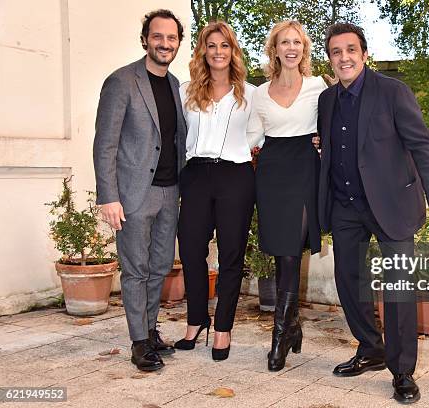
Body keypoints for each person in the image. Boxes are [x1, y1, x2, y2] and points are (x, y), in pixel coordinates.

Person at [317, 23, 429, 404]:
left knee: (398, 291)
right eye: (336, 52)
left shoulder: (393, 92)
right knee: (348, 281)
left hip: (391, 204)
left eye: (350, 50)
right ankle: (370, 348)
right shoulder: (327, 100)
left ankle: (403, 371)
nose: (344, 57)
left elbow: (421, 145)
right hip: (345, 206)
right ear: (330, 58)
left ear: (364, 54)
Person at [93, 9, 186, 372]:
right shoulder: (121, 81)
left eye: (172, 38)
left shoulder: (175, 84)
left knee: (160, 266)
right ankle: (138, 342)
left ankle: (150, 330)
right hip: (133, 194)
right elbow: (106, 144)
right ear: (145, 39)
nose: (165, 43)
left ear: (178, 42)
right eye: (158, 37)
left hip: (169, 191)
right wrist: (108, 196)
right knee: (136, 270)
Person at [247, 20, 327, 372]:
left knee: (292, 251)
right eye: (284, 42)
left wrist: (323, 141)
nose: (291, 48)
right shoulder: (259, 93)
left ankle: (279, 337)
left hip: (305, 169)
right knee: (283, 253)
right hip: (272, 171)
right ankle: (292, 327)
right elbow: (252, 135)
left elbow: (333, 125)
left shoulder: (318, 86)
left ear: (304, 49)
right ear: (274, 49)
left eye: (297, 42)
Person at [175, 21, 255, 362]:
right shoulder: (185, 91)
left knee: (232, 255)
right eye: (212, 45)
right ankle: (196, 320)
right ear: (203, 51)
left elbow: (269, 133)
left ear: (233, 51)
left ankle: (223, 327)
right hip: (195, 175)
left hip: (236, 175)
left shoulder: (251, 94)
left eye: (225, 45)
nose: (218, 52)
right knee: (191, 250)